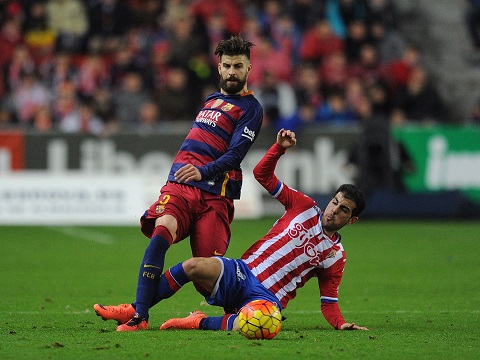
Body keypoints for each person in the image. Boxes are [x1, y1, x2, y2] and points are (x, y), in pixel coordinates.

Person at [94, 129, 368, 333]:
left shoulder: (335, 256)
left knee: (257, 324)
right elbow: (263, 175)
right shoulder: (304, 206)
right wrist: (278, 149)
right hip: (242, 272)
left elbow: (328, 301)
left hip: (267, 298)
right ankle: (135, 311)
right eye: (335, 202)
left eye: (344, 210)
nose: (334, 210)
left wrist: (341, 324)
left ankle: (199, 321)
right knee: (192, 266)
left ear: (351, 220)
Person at [94, 34, 263, 331]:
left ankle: (248, 308)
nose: (232, 71)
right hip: (180, 186)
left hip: (215, 196)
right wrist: (192, 172)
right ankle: (140, 317)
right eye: (227, 65)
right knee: (162, 231)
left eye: (238, 66)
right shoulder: (211, 99)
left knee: (206, 274)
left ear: (249, 69)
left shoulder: (251, 109)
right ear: (219, 67)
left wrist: (204, 171)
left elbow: (237, 154)